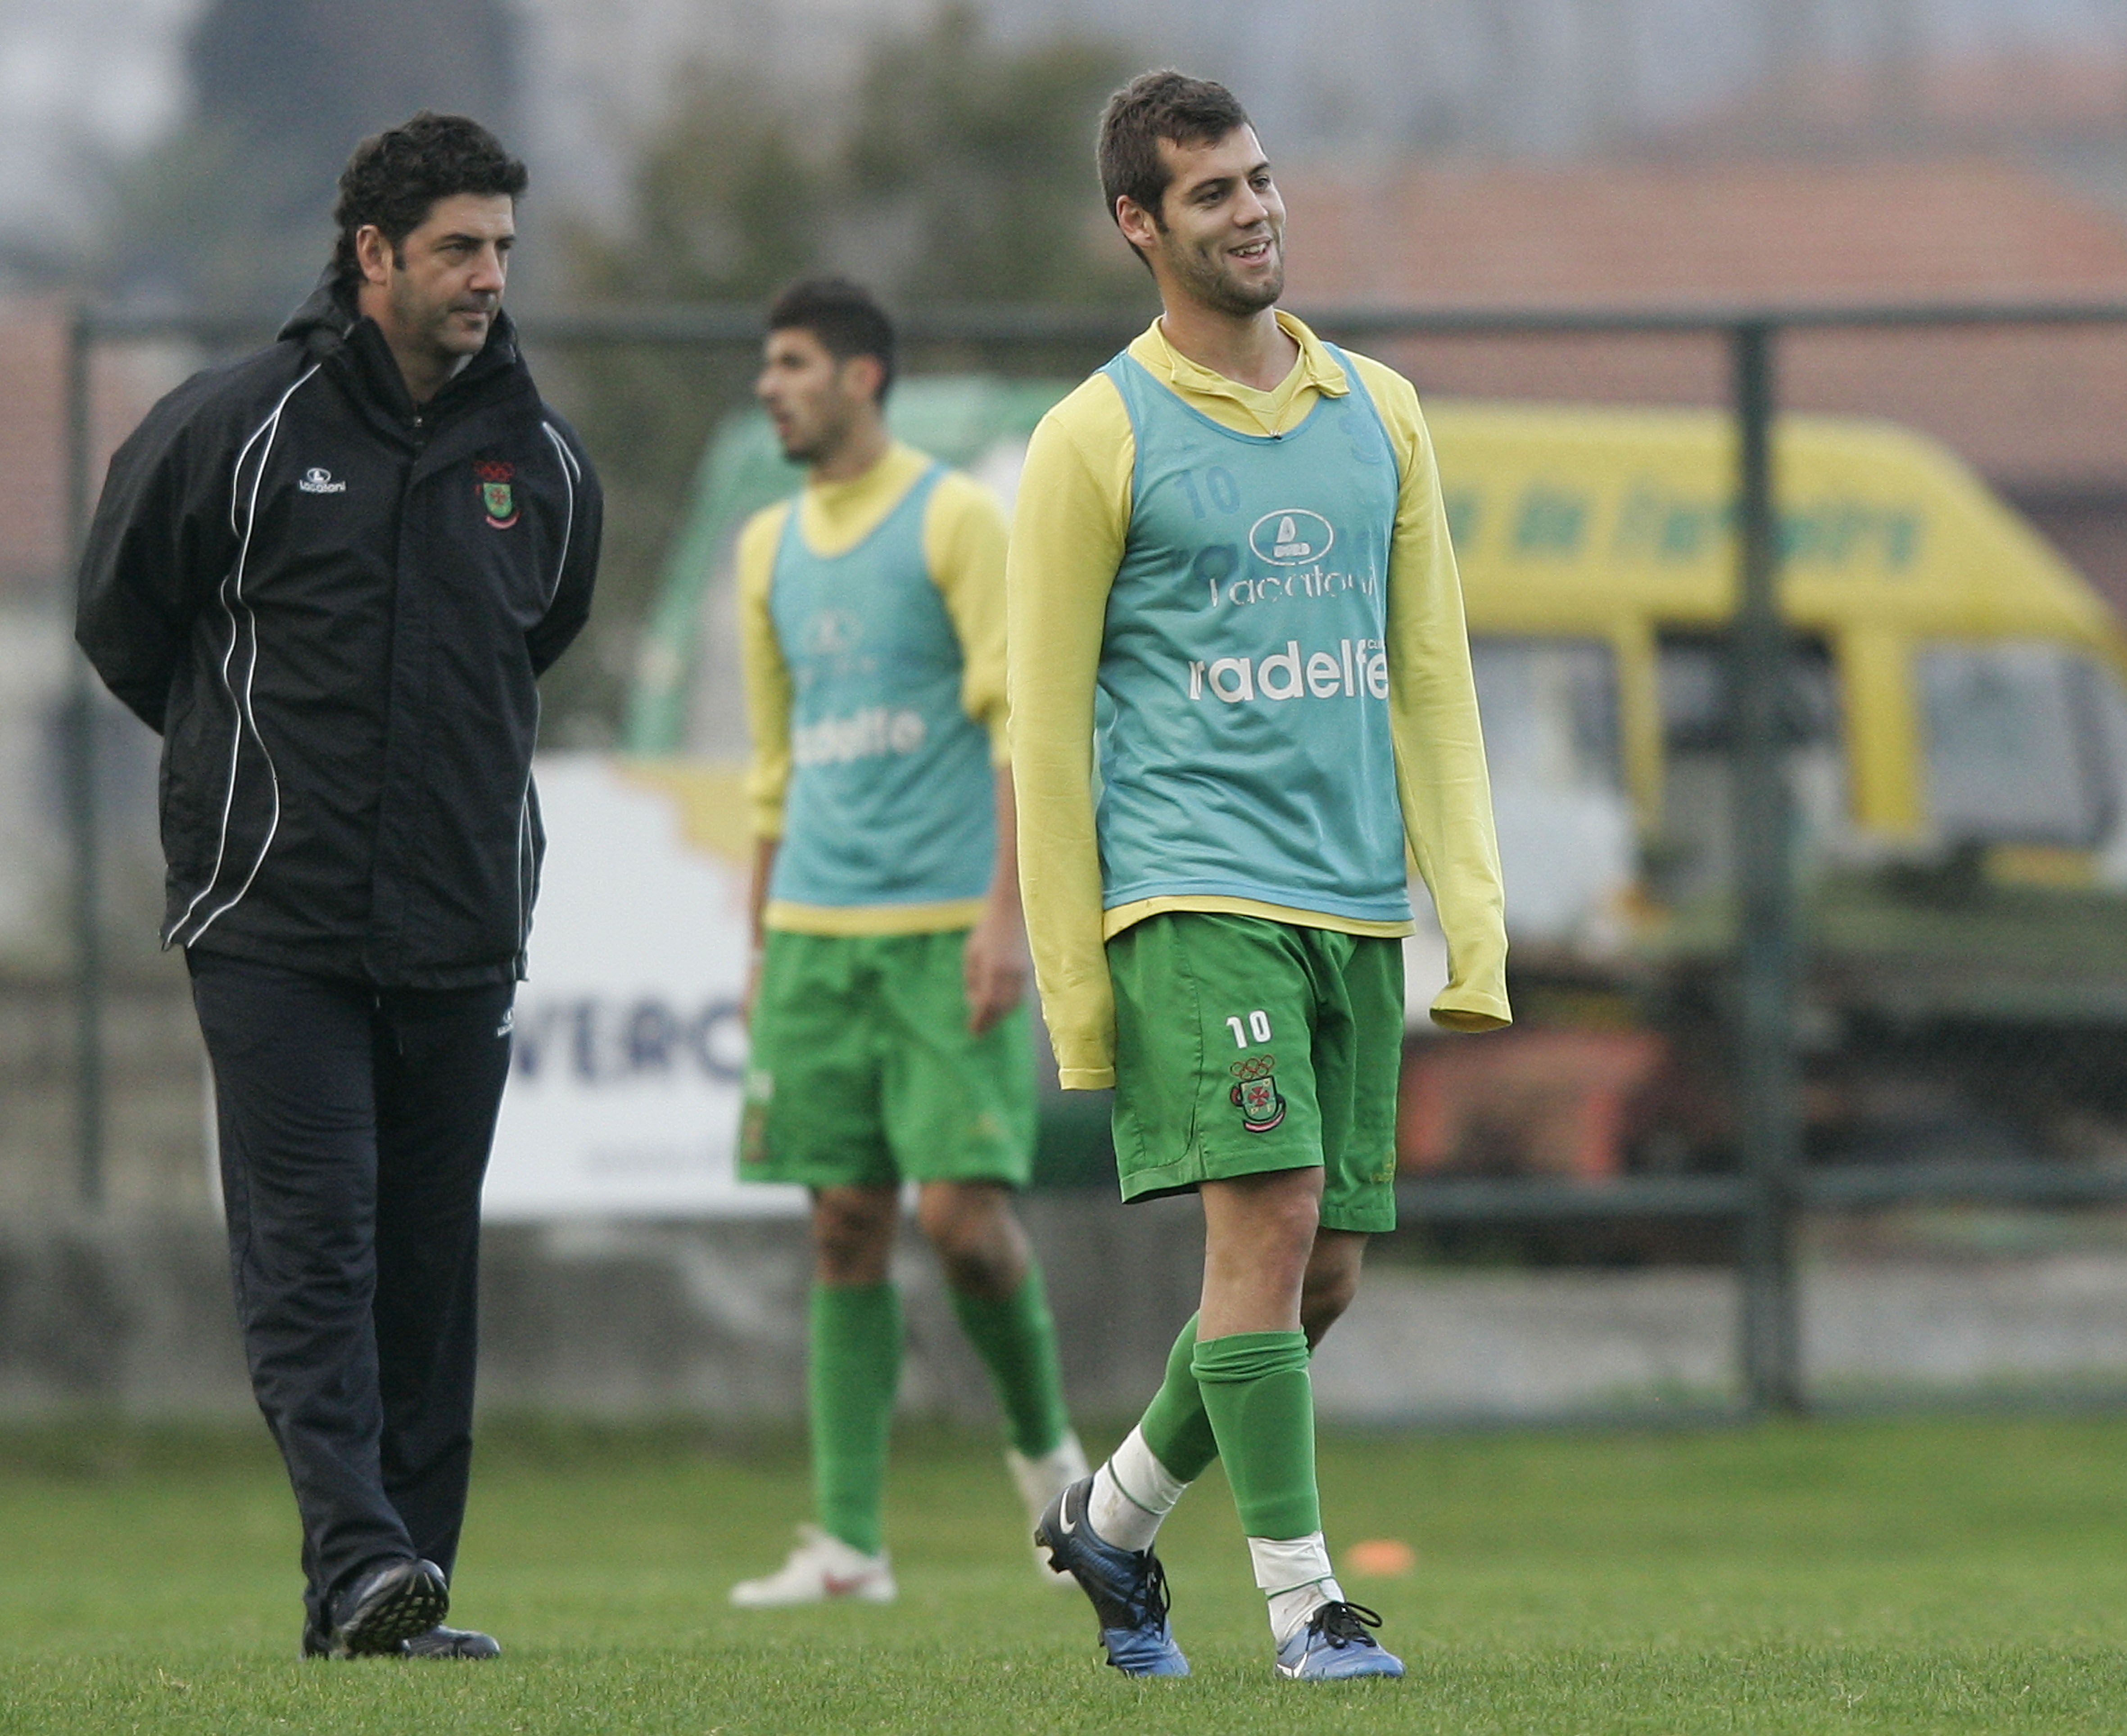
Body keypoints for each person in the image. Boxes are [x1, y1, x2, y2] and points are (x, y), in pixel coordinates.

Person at [75, 113, 600, 1660]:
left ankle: (391, 1600)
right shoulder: (232, 425)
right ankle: (364, 1556)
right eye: (457, 247)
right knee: (318, 1251)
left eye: (502, 247)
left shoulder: (546, 464)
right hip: (272, 925)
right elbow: (123, 622)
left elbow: (541, 640)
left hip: (461, 929)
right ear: (372, 254)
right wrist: (240, 783)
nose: (488, 277)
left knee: (428, 1279)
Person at [1008, 71, 1512, 1681]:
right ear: (1135, 226)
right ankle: (1308, 1610)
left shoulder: (1381, 410)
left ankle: (1112, 1520)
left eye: (1261, 179)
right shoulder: (1093, 436)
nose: (1256, 211)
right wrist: (1077, 992)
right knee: (1271, 1228)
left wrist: (1469, 922)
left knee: (1319, 1278)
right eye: (1213, 193)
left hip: (1352, 904)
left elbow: (1430, 679)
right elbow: (1047, 735)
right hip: (1189, 895)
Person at [726, 278, 1087, 1607]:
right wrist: (766, 938)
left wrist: (1007, 917)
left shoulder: (955, 520)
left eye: (793, 364)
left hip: (944, 931)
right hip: (817, 935)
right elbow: (775, 764)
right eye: (767, 366)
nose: (771, 387)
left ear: (862, 377)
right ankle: (845, 1548)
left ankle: (1054, 1472)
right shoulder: (764, 546)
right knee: (841, 1224)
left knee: (963, 1220)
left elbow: (1015, 724)